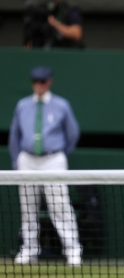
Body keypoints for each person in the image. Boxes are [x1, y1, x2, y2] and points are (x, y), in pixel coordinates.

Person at [9, 66, 82, 266]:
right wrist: (17, 161)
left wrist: (59, 155)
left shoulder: (61, 105)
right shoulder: (22, 105)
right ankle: (29, 249)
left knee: (60, 206)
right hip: (27, 160)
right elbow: (14, 136)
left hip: (53, 160)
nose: (39, 85)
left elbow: (72, 134)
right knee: (28, 207)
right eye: (35, 82)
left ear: (49, 82)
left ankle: (73, 249)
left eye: (42, 81)